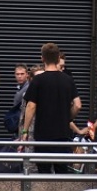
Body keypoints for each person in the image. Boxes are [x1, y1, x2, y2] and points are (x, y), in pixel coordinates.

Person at [20, 42, 82, 174]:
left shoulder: (38, 80)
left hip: (43, 134)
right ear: (58, 58)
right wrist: (68, 117)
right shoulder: (68, 80)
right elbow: (77, 105)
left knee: (44, 171)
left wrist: (24, 131)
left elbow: (31, 106)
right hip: (63, 134)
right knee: (62, 171)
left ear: (42, 58)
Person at [4, 64, 30, 137]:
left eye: (22, 74)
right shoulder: (20, 88)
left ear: (27, 74)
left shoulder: (28, 88)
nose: (19, 76)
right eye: (17, 74)